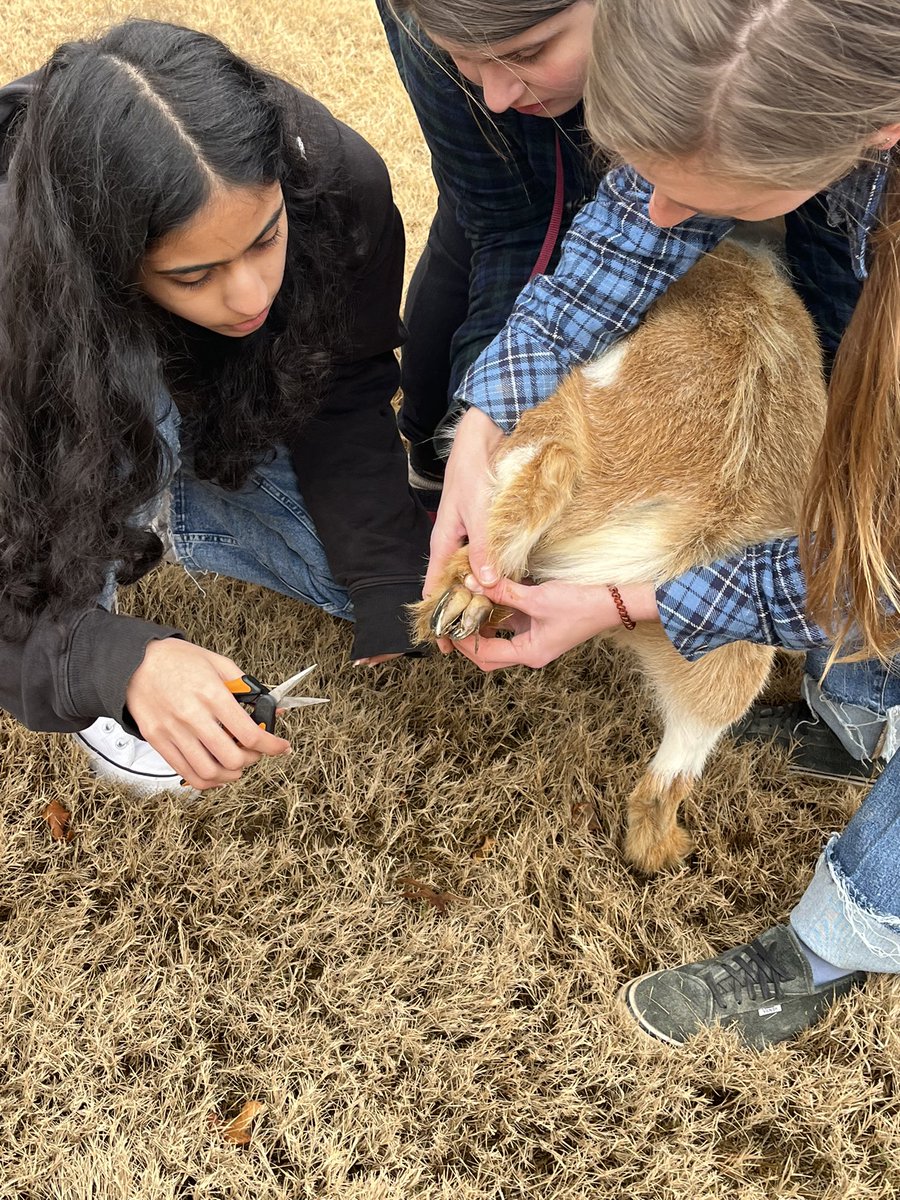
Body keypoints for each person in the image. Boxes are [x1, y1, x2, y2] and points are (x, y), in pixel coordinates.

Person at [411, 0, 900, 1047]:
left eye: (695, 193)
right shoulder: (752, 53)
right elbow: (624, 247)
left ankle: (847, 930)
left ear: (875, 132)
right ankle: (858, 706)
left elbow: (880, 564)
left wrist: (636, 601)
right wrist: (483, 424)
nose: (661, 216)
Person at [0, 19, 432, 795]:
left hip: (219, 412)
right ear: (99, 258)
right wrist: (111, 661)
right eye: (196, 275)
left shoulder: (337, 183)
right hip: (62, 409)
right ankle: (99, 551)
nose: (250, 295)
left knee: (379, 581)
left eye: (266, 238)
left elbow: (346, 378)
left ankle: (172, 503)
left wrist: (384, 577)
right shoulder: (14, 275)